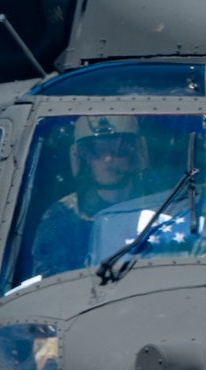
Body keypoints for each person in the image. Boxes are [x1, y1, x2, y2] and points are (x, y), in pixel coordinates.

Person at [27, 115, 150, 278]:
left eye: (119, 150)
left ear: (135, 153)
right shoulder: (64, 215)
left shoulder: (156, 205)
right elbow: (50, 282)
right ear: (84, 158)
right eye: (97, 152)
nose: (108, 159)